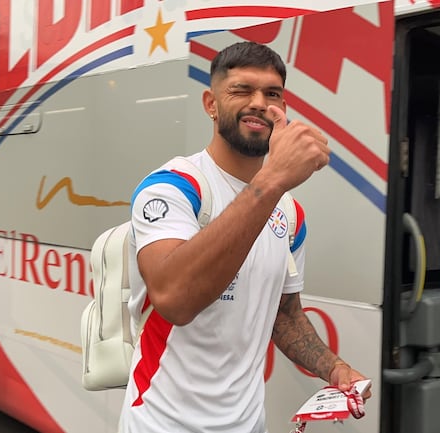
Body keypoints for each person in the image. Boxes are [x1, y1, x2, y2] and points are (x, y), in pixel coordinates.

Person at [119, 41, 370, 432]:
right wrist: (273, 178)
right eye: (241, 90)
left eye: (272, 94)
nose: (259, 102)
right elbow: (174, 301)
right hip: (161, 421)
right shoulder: (174, 187)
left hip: (248, 423)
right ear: (211, 103)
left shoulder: (288, 212)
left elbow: (284, 315)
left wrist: (334, 368)